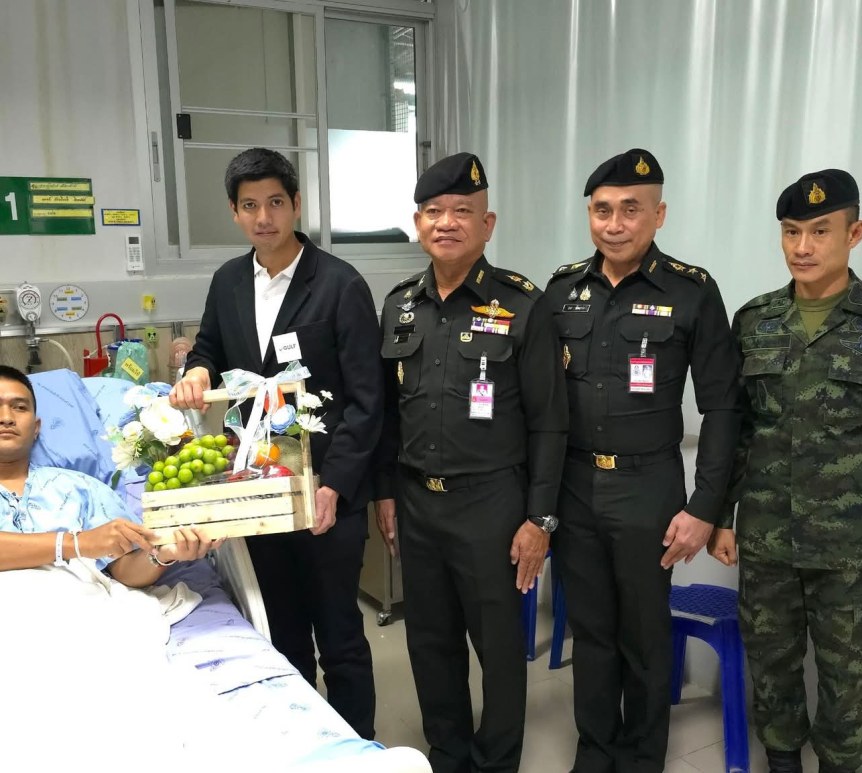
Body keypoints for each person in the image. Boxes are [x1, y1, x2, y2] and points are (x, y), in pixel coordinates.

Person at [169, 147, 383, 739]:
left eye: (275, 203)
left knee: (338, 633)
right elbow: (210, 347)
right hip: (259, 483)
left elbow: (367, 400)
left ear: (295, 205)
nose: (263, 217)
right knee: (283, 631)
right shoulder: (229, 281)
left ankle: (356, 748)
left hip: (326, 487)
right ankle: (302, 743)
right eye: (250, 206)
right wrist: (198, 371)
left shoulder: (339, 284)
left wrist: (335, 486)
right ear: (235, 212)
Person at [545, 149, 743, 773]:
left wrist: (704, 507)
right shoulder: (562, 290)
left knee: (644, 636)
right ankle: (595, 753)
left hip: (648, 487)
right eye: (602, 210)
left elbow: (723, 407)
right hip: (576, 484)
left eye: (631, 210)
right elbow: (540, 403)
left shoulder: (691, 291)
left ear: (659, 215)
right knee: (591, 632)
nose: (614, 224)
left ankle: (640, 760)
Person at [374, 152, 568, 773]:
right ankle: (448, 753)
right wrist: (386, 493)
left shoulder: (523, 304)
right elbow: (387, 414)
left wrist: (539, 518)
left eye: (463, 211)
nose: (447, 222)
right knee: (429, 643)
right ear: (417, 224)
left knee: (499, 648)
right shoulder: (399, 305)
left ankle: (497, 761)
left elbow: (549, 420)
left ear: (488, 225)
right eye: (434, 211)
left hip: (492, 505)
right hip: (417, 502)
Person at [708, 169, 862, 773]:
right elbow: (739, 429)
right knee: (771, 666)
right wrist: (722, 517)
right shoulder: (757, 320)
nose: (802, 246)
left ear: (854, 233)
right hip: (768, 534)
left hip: (852, 545)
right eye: (791, 231)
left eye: (820, 231)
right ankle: (781, 763)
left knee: (848, 678)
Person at [0, 365, 212, 579]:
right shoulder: (79, 538)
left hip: (82, 597)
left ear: (36, 427)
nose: (6, 417)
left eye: (20, 407)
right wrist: (78, 543)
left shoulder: (80, 488)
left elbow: (125, 571)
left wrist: (163, 554)